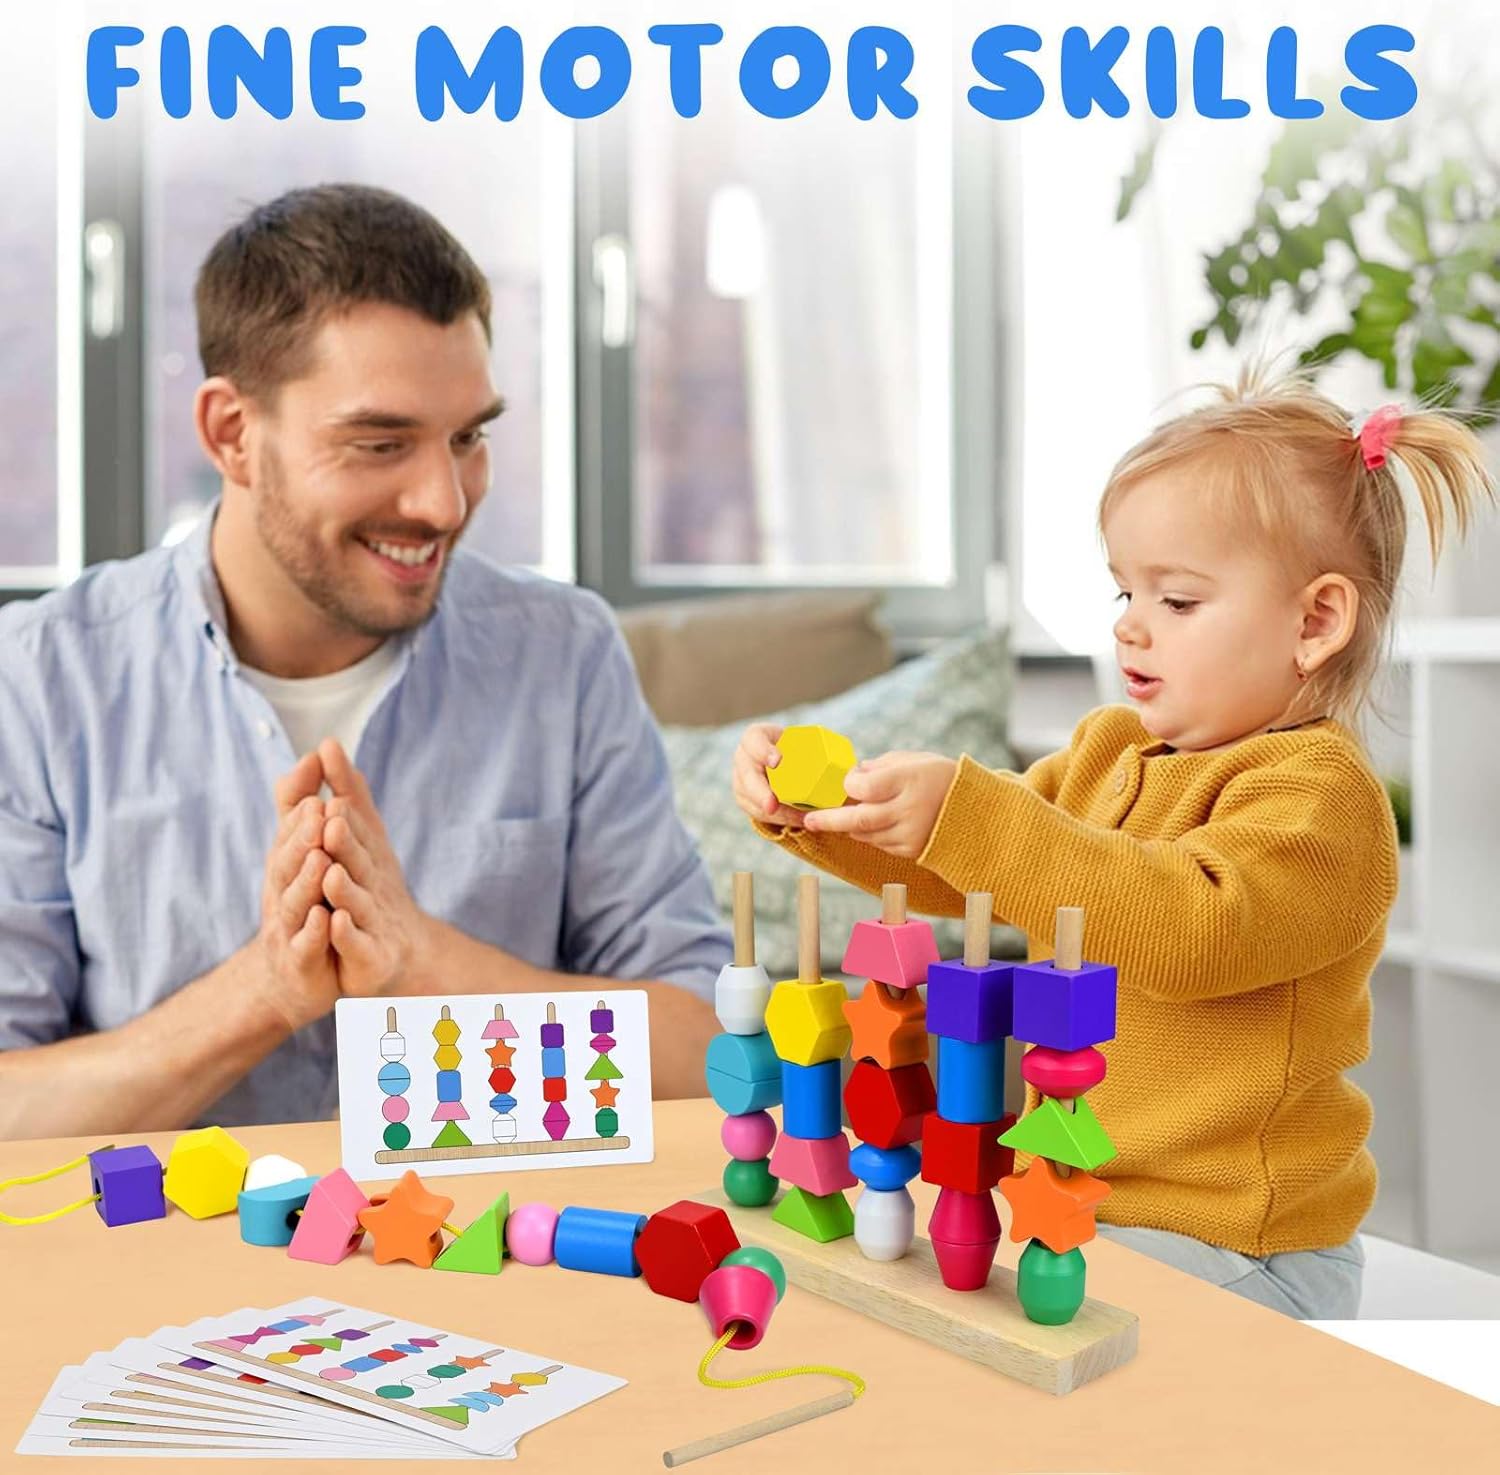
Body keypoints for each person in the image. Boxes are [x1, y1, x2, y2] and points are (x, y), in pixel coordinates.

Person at [733, 366, 1496, 1318]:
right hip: (1085, 1213)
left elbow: (1191, 928)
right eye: (1125, 590)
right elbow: (972, 869)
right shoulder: (1109, 750)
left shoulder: (1320, 801)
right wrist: (822, 811)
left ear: (1314, 622)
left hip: (1241, 1246)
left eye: (1176, 601)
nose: (1130, 625)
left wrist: (969, 815)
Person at [0, 184, 727, 1140]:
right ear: (231, 434)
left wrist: (422, 961)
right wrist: (264, 990)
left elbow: (709, 1054)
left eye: (467, 437)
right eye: (381, 443)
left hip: (498, 1226)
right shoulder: (42, 681)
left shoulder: (564, 656)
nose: (444, 503)